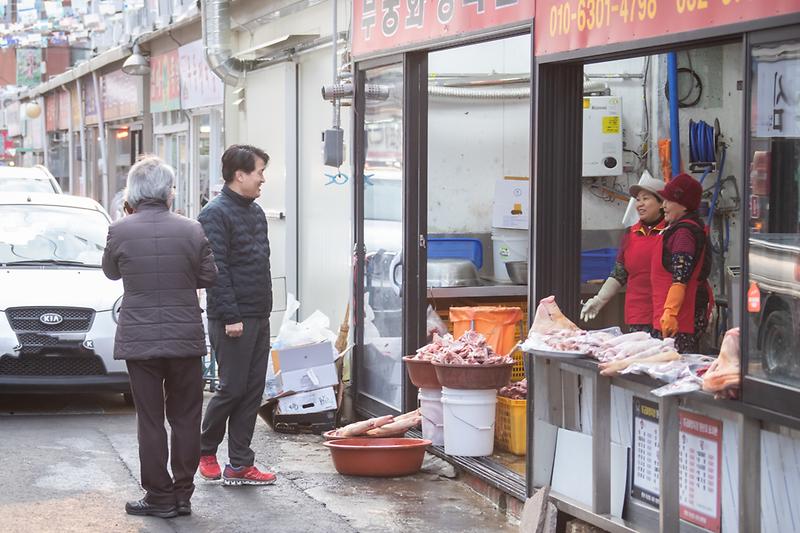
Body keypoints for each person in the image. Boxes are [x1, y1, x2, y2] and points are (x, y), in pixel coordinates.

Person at [102, 156, 218, 518]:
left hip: (140, 339)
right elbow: (209, 276)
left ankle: (158, 495)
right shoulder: (192, 229)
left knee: (150, 418)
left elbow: (110, 271)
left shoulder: (120, 230)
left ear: (132, 194)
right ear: (168, 193)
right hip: (184, 335)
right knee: (185, 415)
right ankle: (183, 494)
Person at [197, 144, 276, 486]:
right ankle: (205, 449)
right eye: (259, 171)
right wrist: (231, 315)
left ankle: (240, 464)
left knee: (252, 391)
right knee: (231, 388)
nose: (263, 179)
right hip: (232, 318)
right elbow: (216, 269)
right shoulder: (214, 213)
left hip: (259, 313)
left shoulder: (255, 212)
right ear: (239, 174)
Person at [581, 174, 668, 333]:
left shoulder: (672, 232)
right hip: (639, 314)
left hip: (667, 315)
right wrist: (599, 299)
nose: (639, 204)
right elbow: (620, 272)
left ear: (662, 203)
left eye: (645, 199)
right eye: (638, 200)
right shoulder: (631, 233)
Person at [651, 173, 713, 353]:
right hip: (672, 318)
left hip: (681, 319)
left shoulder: (684, 233)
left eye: (668, 201)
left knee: (675, 369)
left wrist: (671, 312)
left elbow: (681, 277)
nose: (663, 206)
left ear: (683, 204)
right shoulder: (676, 229)